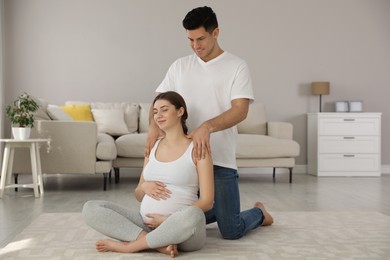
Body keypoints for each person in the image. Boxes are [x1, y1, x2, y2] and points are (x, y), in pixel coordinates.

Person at [145, 6, 273, 240]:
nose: (196, 45)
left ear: (216, 33)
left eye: (201, 38)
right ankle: (219, 212)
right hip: (184, 159)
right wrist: (153, 130)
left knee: (231, 230)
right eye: (190, 40)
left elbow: (240, 111)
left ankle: (259, 212)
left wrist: (207, 127)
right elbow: (159, 101)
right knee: (178, 217)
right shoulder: (180, 66)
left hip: (220, 155)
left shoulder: (237, 66)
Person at [83, 91, 214, 257]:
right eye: (155, 112)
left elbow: (207, 202)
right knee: (91, 208)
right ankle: (158, 244)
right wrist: (144, 186)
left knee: (193, 214)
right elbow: (138, 195)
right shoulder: (152, 147)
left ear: (180, 111)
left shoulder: (197, 148)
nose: (158, 115)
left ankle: (131, 246)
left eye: (164, 110)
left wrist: (169, 220)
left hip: (184, 230)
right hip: (147, 223)